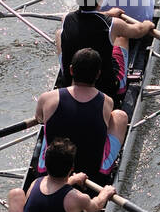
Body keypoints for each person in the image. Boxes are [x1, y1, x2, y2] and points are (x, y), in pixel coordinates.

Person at [34, 47, 127, 181]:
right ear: (98, 74)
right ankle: (106, 166)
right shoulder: (107, 101)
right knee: (119, 116)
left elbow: (40, 119)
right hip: (93, 173)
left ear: (71, 70)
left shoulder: (47, 98)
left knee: (47, 125)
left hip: (51, 170)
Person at [58, 0, 154, 100]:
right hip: (107, 86)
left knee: (60, 34)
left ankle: (64, 72)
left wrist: (108, 13)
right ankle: (121, 83)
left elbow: (88, 17)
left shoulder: (66, 18)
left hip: (71, 80)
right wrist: (147, 25)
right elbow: (138, 32)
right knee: (121, 36)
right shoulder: (113, 24)